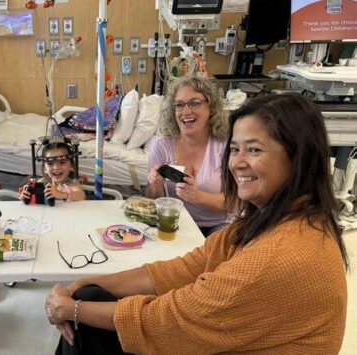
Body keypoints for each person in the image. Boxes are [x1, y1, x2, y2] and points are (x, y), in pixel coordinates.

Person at [45, 94, 348, 355]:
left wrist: (72, 308)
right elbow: (186, 267)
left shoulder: (281, 253)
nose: (237, 162)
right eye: (234, 149)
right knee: (91, 298)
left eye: (254, 150)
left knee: (88, 317)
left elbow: (171, 320)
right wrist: (88, 283)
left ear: (299, 158)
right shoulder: (266, 222)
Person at [146, 76, 229, 236]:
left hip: (218, 226)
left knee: (211, 256)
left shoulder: (225, 146)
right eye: (179, 105)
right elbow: (152, 200)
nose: (185, 111)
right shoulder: (162, 146)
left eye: (195, 103)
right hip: (177, 223)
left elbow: (236, 202)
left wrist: (197, 196)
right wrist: (155, 185)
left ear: (211, 107)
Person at [19, 141, 86, 202]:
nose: (56, 168)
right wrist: (26, 196)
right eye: (50, 163)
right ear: (45, 169)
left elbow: (81, 195)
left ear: (71, 166)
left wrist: (61, 195)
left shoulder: (72, 185)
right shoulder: (43, 182)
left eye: (62, 162)